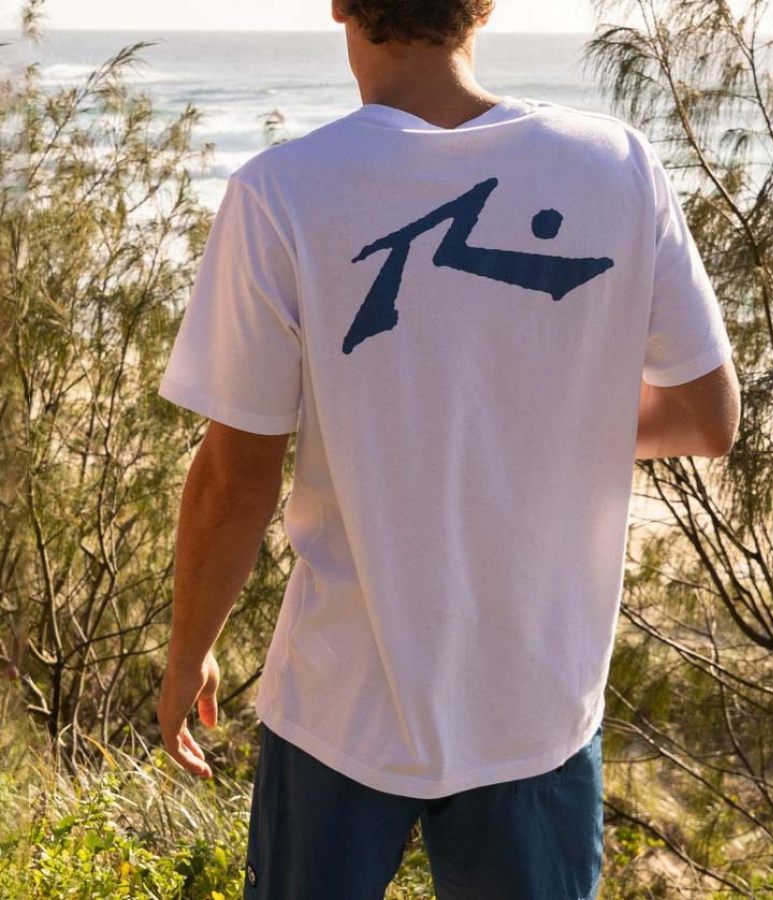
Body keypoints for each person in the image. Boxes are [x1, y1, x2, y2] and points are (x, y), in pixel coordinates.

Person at [154, 0, 742, 897]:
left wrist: (188, 647)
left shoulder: (282, 191)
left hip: (339, 705)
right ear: (485, 6)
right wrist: (549, 417)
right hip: (534, 704)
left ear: (342, 5)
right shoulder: (616, 165)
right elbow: (708, 417)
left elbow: (237, 478)